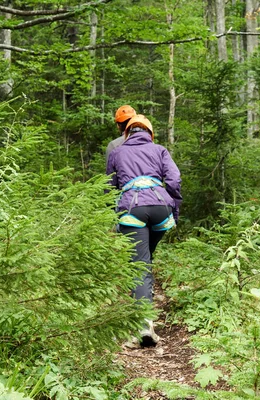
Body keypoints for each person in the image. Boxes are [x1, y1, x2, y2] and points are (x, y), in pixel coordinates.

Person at [106, 114, 182, 347]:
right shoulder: (160, 150)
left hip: (133, 210)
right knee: (143, 261)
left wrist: (112, 215)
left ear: (126, 133)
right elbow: (175, 179)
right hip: (161, 209)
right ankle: (142, 306)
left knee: (139, 266)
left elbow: (109, 186)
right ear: (149, 133)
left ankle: (142, 326)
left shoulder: (117, 152)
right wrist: (174, 210)